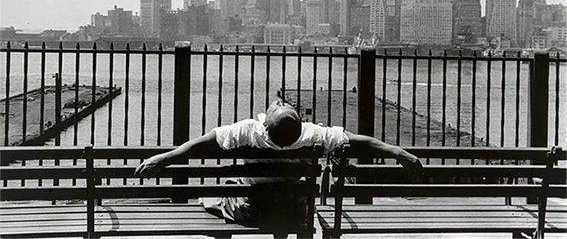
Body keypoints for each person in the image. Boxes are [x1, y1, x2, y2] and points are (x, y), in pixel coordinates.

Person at [134, 99, 424, 234]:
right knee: (282, 194)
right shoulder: (312, 134)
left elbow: (202, 143)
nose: (277, 102)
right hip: (295, 211)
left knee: (221, 194)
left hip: (254, 212)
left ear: (266, 123)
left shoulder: (248, 131)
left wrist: (165, 157)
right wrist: (398, 152)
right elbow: (359, 142)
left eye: (277, 105)